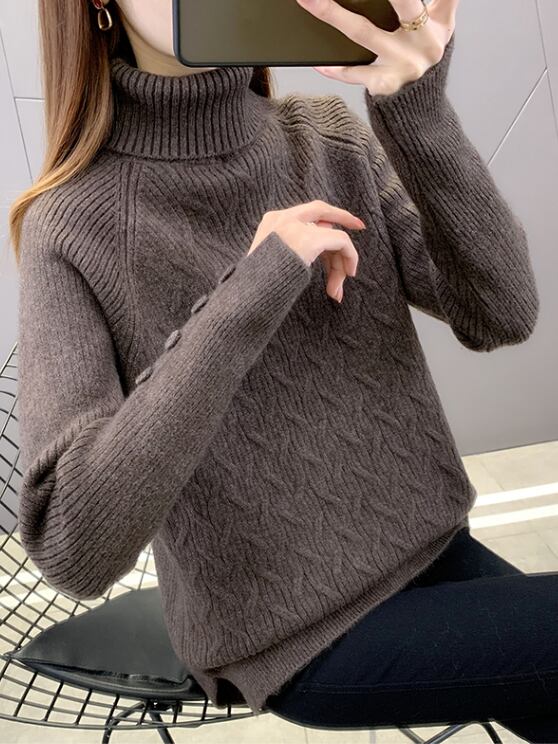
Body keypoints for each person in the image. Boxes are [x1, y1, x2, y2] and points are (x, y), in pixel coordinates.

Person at [10, 0, 552, 740]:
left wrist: (417, 112)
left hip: (431, 555)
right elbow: (73, 546)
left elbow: (502, 313)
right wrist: (252, 289)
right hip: (294, 638)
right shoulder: (69, 226)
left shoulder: (325, 137)